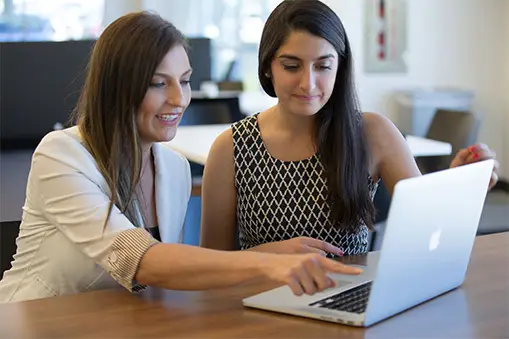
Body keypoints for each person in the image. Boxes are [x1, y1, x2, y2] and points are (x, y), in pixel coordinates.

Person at [0, 11, 363, 302]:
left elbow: (170, 276)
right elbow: (138, 259)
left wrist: (270, 259)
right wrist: (267, 263)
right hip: (33, 324)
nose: (179, 99)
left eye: (185, 80)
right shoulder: (62, 154)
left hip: (115, 325)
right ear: (116, 87)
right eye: (159, 83)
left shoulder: (171, 167)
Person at [200, 0, 499, 257]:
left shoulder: (372, 133)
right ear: (267, 67)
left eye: (323, 66)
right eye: (291, 66)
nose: (308, 83)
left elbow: (432, 227)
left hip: (348, 299)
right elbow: (212, 265)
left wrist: (465, 183)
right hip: (258, 302)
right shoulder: (233, 147)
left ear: (340, 68)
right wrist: (268, 256)